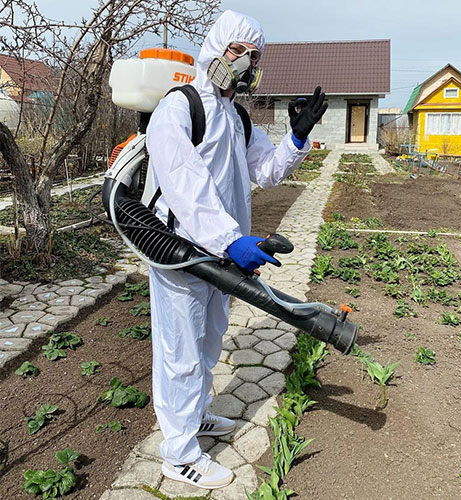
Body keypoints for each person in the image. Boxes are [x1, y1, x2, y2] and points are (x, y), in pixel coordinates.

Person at [146, 10, 327, 490]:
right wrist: (230, 240)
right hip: (180, 253)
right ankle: (179, 453)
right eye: (237, 52)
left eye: (253, 57)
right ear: (215, 49)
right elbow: (186, 187)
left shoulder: (236, 117)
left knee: (207, 342)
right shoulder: (180, 108)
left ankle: (197, 416)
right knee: (179, 351)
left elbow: (265, 171)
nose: (245, 64)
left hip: (221, 256)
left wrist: (297, 138)